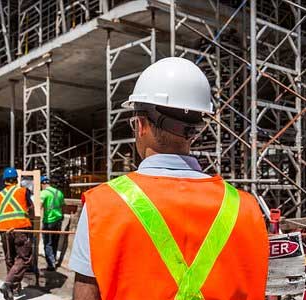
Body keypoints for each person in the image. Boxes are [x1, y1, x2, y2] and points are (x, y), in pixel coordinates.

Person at [69, 57, 268, 299]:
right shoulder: (246, 207)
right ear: (194, 131)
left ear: (140, 125)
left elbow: (86, 294)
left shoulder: (101, 206)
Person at [0, 167, 34, 300]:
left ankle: (14, 290)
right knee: (24, 258)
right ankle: (8, 284)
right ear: (16, 179)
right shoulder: (23, 191)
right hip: (20, 228)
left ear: (4, 180)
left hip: (4, 231)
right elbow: (31, 208)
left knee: (10, 259)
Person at [40, 175, 65, 271]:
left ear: (42, 184)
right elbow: (63, 206)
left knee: (48, 243)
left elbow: (40, 206)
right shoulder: (59, 193)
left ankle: (51, 264)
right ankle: (53, 260)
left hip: (48, 221)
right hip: (58, 220)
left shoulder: (43, 193)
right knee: (55, 241)